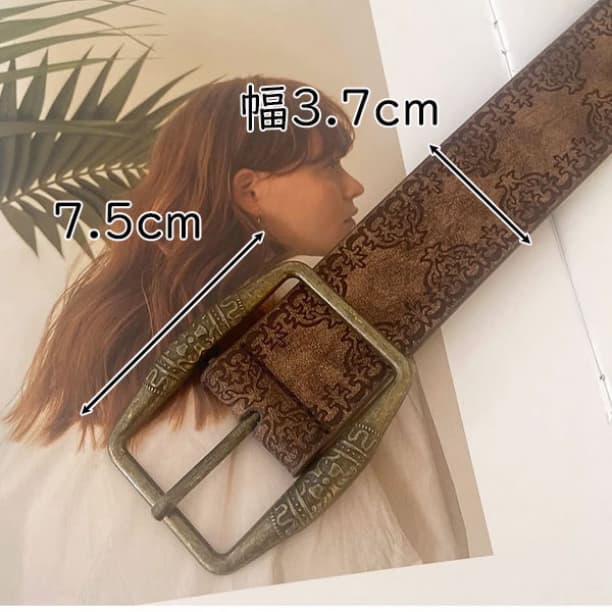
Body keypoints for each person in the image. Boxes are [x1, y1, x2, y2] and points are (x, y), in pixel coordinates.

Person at [0, 75, 468, 604]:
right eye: (328, 165)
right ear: (250, 191)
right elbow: (404, 527)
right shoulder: (313, 321)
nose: (353, 186)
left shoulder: (104, 335)